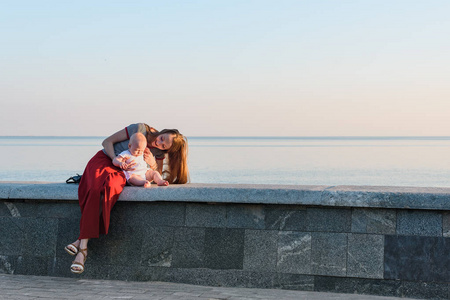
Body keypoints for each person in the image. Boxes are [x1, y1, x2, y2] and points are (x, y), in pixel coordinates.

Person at [64, 123, 189, 274]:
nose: (159, 143)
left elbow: (155, 176)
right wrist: (115, 159)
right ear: (163, 131)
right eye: (162, 138)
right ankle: (82, 250)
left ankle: (80, 241)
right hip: (105, 160)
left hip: (122, 173)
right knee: (95, 188)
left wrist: (153, 164)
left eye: (163, 146)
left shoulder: (157, 152)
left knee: (110, 188)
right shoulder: (140, 129)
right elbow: (106, 142)